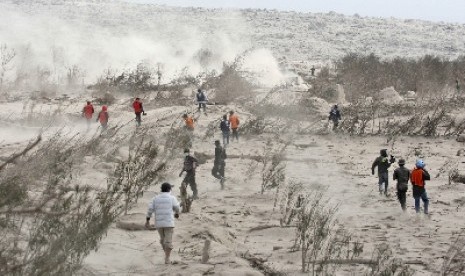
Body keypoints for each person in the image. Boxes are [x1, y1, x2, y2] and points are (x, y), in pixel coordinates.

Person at [145, 182, 180, 264]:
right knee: (168, 241)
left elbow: (150, 210)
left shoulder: (155, 198)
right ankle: (167, 258)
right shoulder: (172, 198)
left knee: (162, 240)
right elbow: (177, 207)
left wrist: (147, 220)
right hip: (169, 223)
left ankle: (166, 255)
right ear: (169, 189)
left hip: (159, 224)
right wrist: (177, 214)